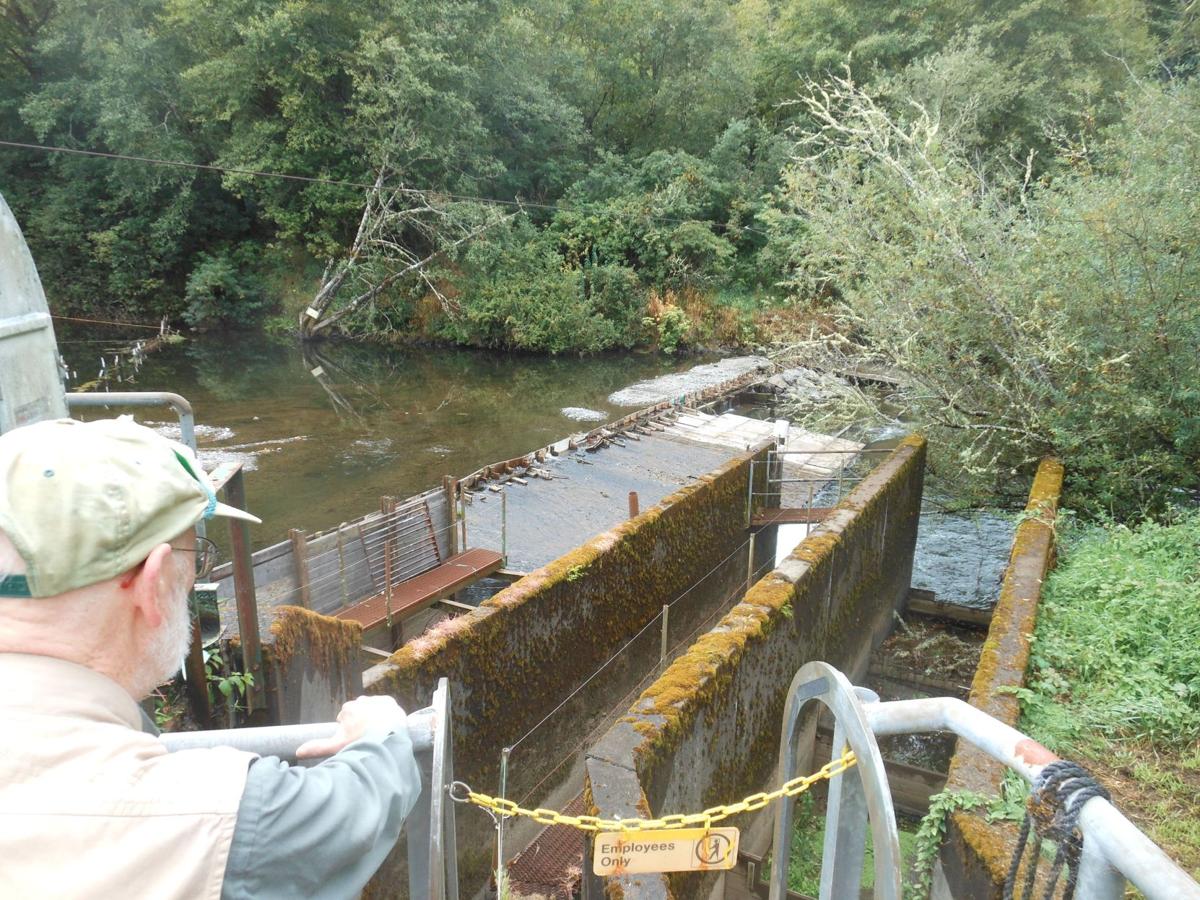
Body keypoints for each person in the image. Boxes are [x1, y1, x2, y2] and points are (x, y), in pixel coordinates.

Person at [0, 416, 421, 899]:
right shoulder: (218, 821)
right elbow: (349, 810)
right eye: (196, 557)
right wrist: (384, 730)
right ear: (153, 585)